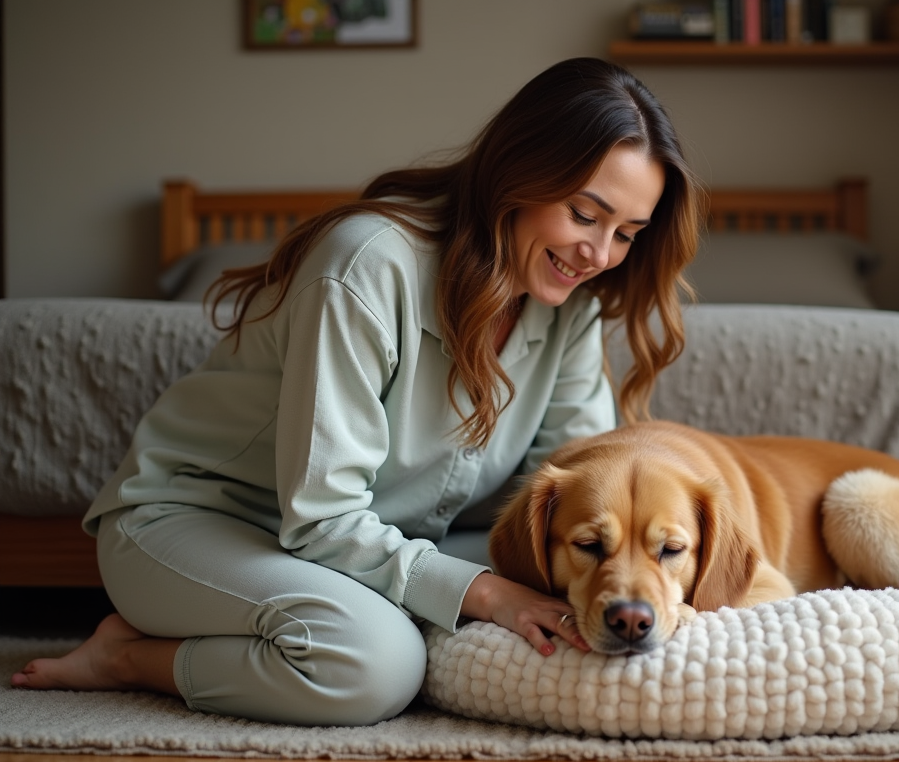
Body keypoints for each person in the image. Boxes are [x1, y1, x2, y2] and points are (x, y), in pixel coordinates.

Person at [10, 57, 703, 726]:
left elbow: (568, 494)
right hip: (205, 524)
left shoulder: (571, 304)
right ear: (519, 174)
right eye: (585, 215)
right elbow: (320, 516)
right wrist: (487, 594)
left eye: (626, 234)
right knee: (375, 666)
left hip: (382, 536)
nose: (600, 254)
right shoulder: (366, 265)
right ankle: (128, 659)